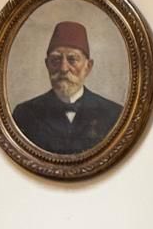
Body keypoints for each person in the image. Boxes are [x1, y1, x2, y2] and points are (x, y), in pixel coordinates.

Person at [12, 21, 122, 154]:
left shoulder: (114, 115)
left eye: (72, 59)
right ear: (47, 65)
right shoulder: (24, 114)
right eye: (55, 60)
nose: (63, 68)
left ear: (88, 66)